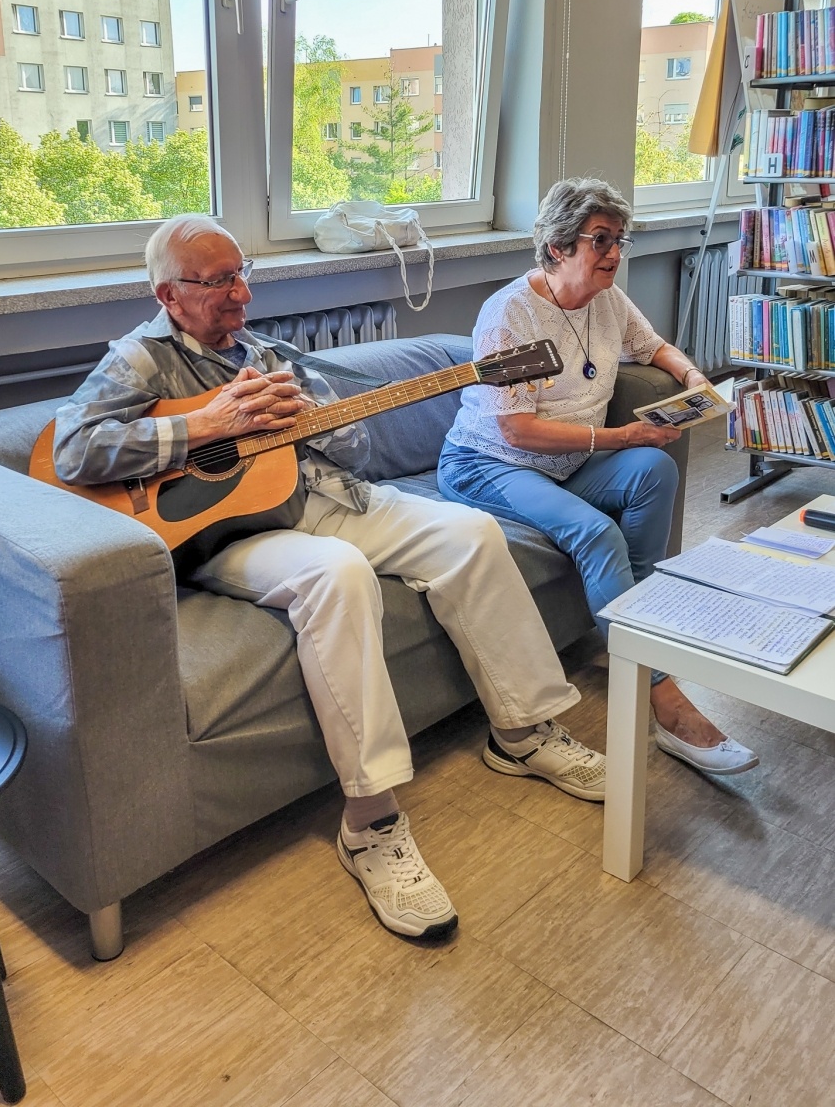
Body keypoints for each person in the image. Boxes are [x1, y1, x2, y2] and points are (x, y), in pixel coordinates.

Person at [52, 213, 607, 942]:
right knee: (339, 575)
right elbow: (71, 449)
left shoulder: (267, 353)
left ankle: (523, 731)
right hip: (231, 537)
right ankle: (371, 823)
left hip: (322, 500)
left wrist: (324, 422)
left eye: (242, 274)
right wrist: (207, 426)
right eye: (219, 282)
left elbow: (357, 450)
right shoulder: (141, 360)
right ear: (169, 293)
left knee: (472, 533)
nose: (241, 295)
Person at [437, 177, 759, 777]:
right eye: (601, 240)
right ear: (558, 247)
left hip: (566, 464)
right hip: (489, 465)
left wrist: (691, 376)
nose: (614, 253)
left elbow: (653, 345)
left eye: (619, 240)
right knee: (597, 532)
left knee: (655, 471)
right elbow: (516, 431)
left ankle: (641, 630)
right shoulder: (509, 315)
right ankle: (663, 697)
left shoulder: (606, 299)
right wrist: (621, 437)